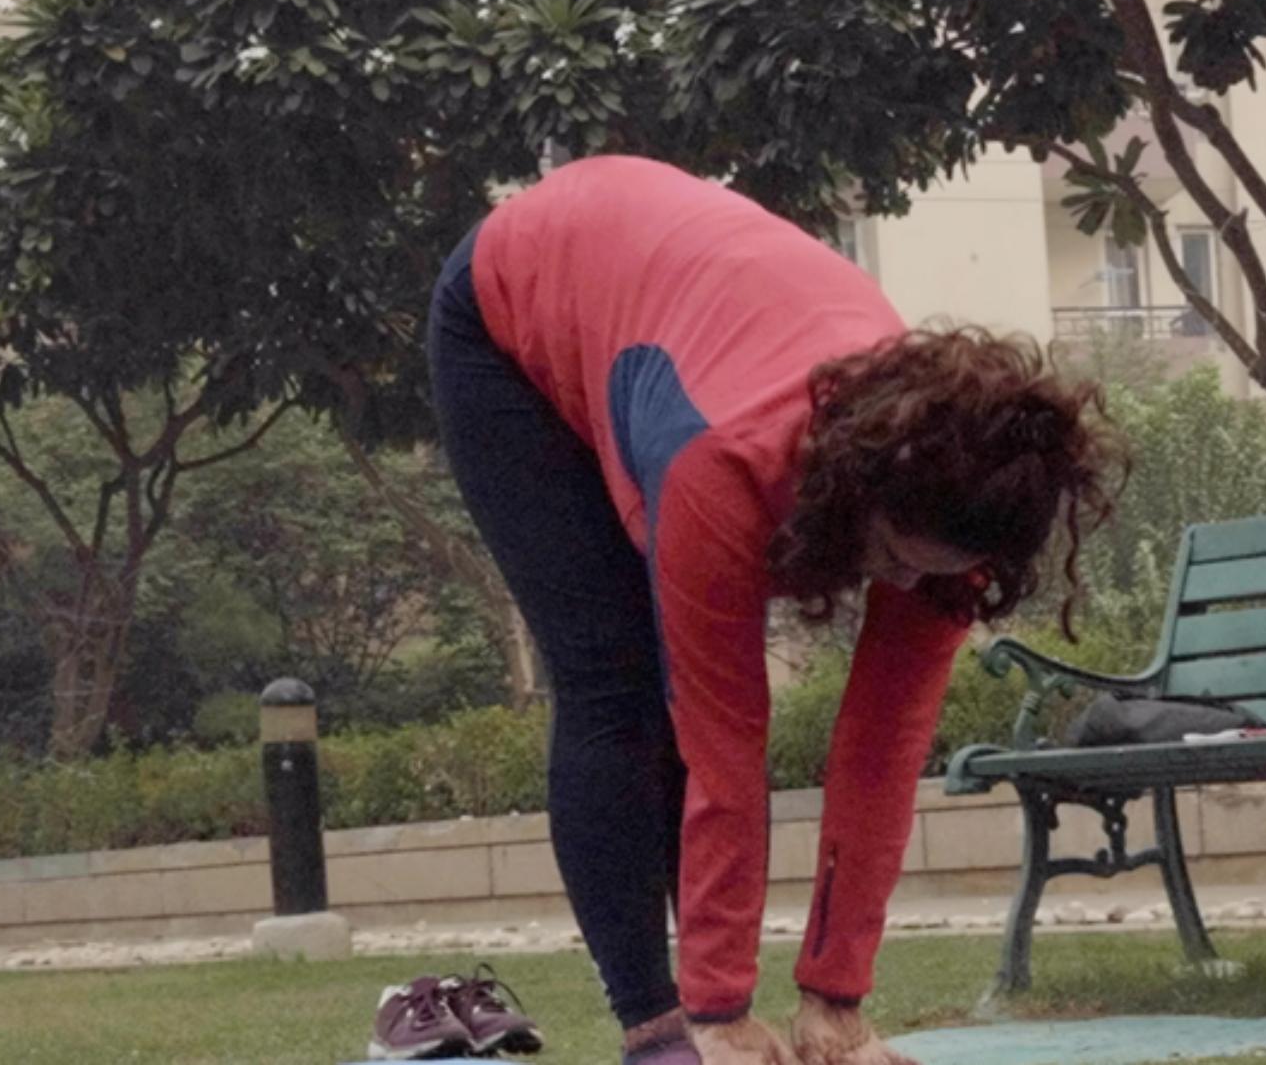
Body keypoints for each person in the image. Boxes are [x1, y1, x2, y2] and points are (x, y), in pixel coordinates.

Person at [421, 155, 1121, 1065]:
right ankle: (659, 1030)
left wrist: (839, 1003)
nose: (905, 589)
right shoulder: (725, 462)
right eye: (894, 560)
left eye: (932, 573)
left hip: (683, 307)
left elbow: (882, 744)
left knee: (683, 705)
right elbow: (724, 740)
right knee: (617, 686)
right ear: (858, 493)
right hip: (516, 310)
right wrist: (716, 1009)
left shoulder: (965, 499)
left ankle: (722, 1012)